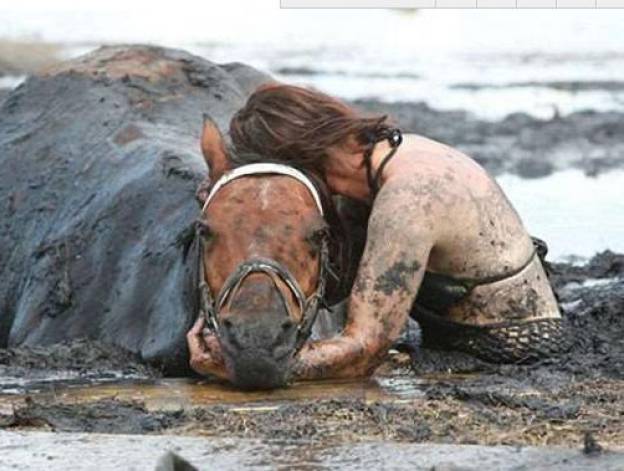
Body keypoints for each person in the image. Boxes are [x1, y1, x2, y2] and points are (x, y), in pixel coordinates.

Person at [188, 84, 564, 382]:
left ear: (301, 157)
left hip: (506, 351)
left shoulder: (409, 198)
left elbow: (364, 349)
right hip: (461, 338)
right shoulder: (385, 163)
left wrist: (247, 365)